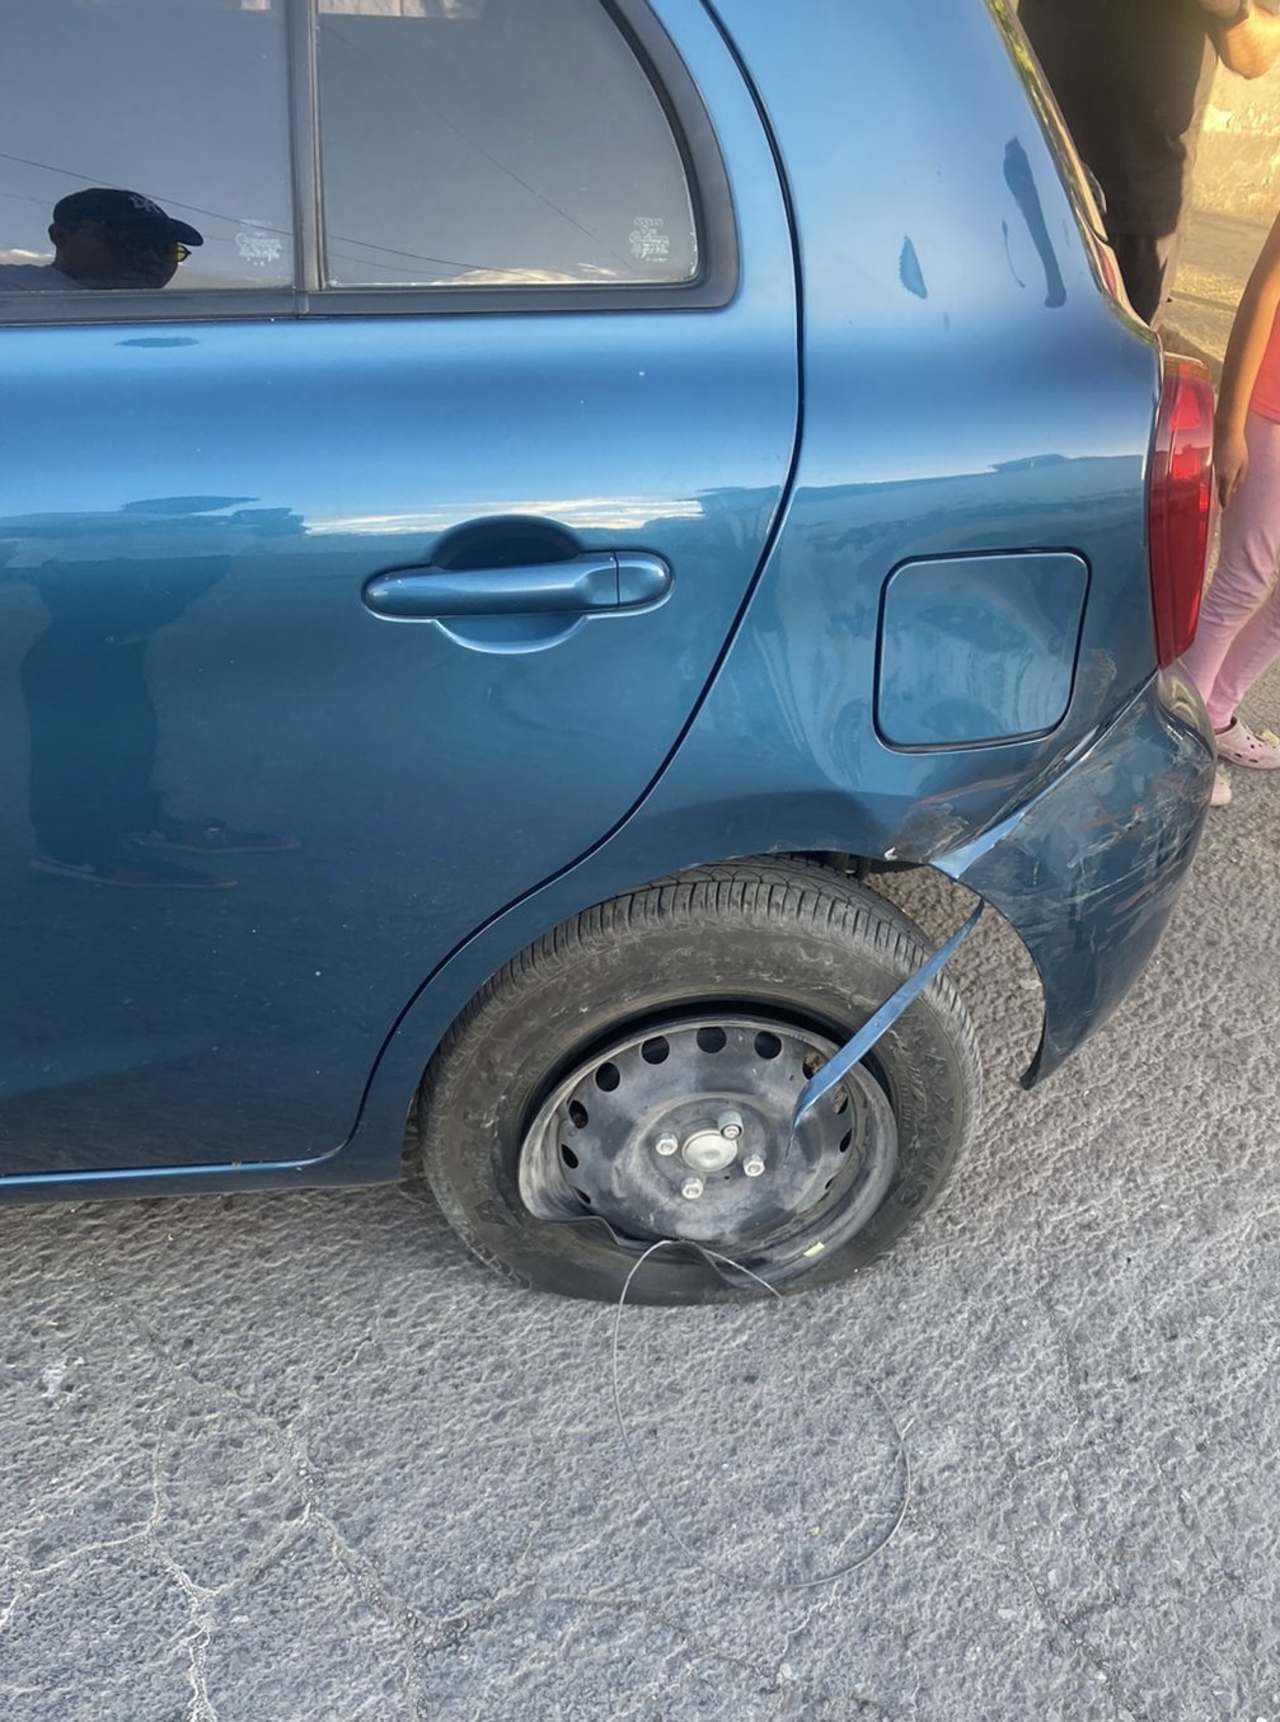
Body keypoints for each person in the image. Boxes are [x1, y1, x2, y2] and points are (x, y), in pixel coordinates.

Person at [1017, 0, 1280, 324]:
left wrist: (1232, 8)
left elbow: (1259, 55)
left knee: (1119, 367)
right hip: (1029, 180)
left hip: (1142, 209)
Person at [1179, 206, 1280, 805]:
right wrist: (1231, 423)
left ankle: (1215, 711)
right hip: (1270, 412)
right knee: (1243, 580)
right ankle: (1178, 745)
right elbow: (1265, 289)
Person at [0, 187, 202, 290]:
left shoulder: (191, 316)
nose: (151, 257)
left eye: (165, 249)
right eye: (129, 242)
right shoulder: (10, 288)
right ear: (60, 236)